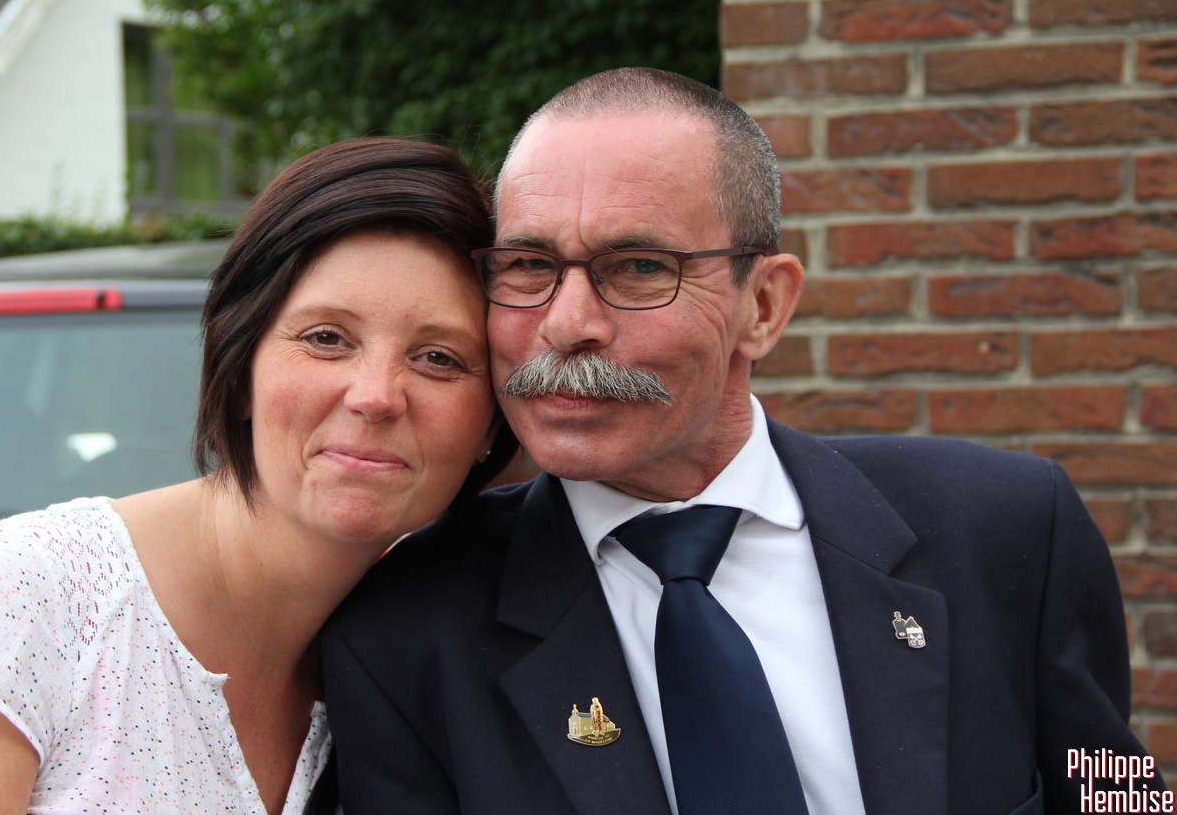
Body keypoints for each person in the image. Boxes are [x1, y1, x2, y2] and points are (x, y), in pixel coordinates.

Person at [321, 68, 1163, 814]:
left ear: (763, 306)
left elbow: (1117, 789)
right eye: (529, 266)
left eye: (639, 268)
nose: (567, 323)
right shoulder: (405, 636)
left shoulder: (1007, 530)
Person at [0, 136, 516, 814]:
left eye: (439, 358)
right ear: (239, 371)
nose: (376, 396)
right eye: (327, 338)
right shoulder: (9, 605)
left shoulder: (450, 662)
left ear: (491, 424)